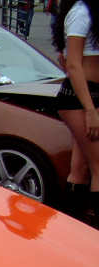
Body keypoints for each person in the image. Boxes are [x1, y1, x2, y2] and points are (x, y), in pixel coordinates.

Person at [52, 0, 99, 226]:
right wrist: (90, 110)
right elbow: (72, 64)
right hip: (80, 99)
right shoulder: (81, 12)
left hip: (89, 97)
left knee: (80, 168)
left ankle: (72, 228)